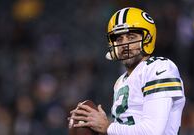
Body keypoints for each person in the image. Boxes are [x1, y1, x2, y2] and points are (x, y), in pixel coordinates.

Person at [69, 7, 186, 135]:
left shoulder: (159, 67)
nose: (124, 44)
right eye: (119, 39)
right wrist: (93, 122)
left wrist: (107, 127)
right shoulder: (120, 81)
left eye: (131, 37)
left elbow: (153, 131)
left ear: (147, 38)